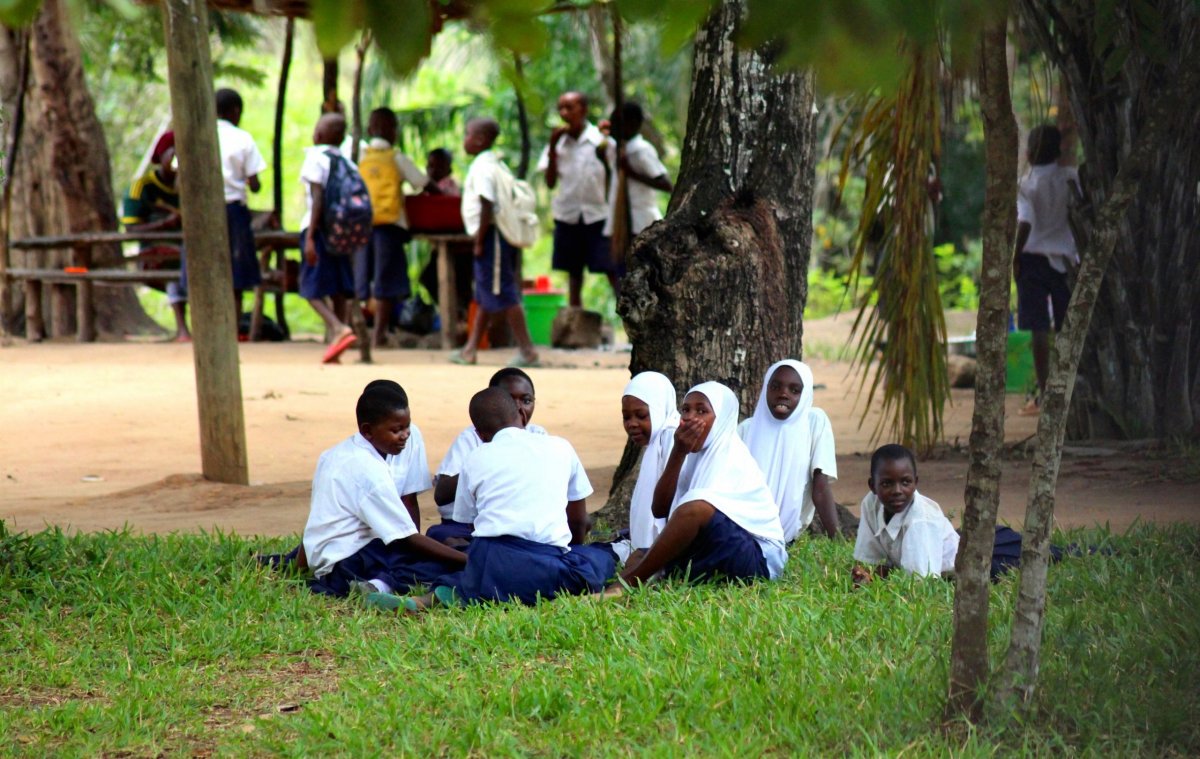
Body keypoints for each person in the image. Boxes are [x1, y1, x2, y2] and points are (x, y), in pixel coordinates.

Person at [368, 388, 614, 610]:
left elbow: (466, 520)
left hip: (488, 559)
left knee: (470, 576)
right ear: (521, 414)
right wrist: (573, 552)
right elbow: (579, 519)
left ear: (480, 433)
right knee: (598, 557)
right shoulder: (561, 447)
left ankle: (429, 599)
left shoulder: (475, 457)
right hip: (543, 561)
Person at [603, 382, 787, 595]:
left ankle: (627, 584)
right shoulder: (693, 457)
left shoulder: (734, 459)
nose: (690, 417)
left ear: (721, 420)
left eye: (702, 411)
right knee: (640, 556)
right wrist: (678, 453)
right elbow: (660, 510)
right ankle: (656, 577)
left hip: (757, 560)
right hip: (715, 550)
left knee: (698, 505)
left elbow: (697, 513)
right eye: (686, 410)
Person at [302, 382, 466, 597]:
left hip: (330, 559)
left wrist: (302, 568)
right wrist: (468, 561)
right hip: (350, 562)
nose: (406, 435)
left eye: (407, 427)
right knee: (430, 563)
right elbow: (406, 538)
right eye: (396, 430)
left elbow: (314, 523)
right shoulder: (370, 471)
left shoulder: (335, 453)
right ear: (367, 431)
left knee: (426, 551)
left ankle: (377, 583)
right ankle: (378, 586)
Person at [850, 444, 1030, 584]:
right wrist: (865, 574)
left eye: (905, 482)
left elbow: (918, 584)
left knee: (1030, 554)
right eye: (887, 483)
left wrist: (879, 577)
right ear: (872, 486)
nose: (897, 490)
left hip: (975, 565)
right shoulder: (870, 503)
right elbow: (869, 558)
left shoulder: (919, 521)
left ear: (916, 482)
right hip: (956, 543)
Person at [452, 117, 539, 367]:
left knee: (505, 293)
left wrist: (479, 241)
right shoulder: (492, 164)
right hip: (492, 237)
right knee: (485, 292)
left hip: (492, 237)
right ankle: (470, 349)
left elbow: (486, 204)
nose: (465, 140)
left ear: (480, 139)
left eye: (468, 134)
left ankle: (528, 351)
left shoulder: (482, 168)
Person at [428, 367, 548, 545]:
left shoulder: (539, 436)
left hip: (520, 521)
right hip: (467, 525)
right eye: (509, 400)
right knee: (443, 537)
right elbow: (442, 494)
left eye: (527, 400)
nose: (518, 407)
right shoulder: (472, 437)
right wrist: (486, 468)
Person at [1013, 124, 1080, 416]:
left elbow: (1025, 221)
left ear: (1028, 154)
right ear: (1060, 152)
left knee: (1039, 330)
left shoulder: (1025, 185)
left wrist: (1015, 256)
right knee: (1067, 328)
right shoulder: (1071, 178)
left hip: (1032, 260)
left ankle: (1045, 392)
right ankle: (1070, 390)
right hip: (1066, 260)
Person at [738, 360, 840, 542]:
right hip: (743, 529)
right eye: (775, 387)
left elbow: (820, 486)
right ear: (765, 389)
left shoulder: (814, 423)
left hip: (786, 536)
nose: (783, 394)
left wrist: (837, 540)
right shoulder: (747, 430)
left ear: (806, 394)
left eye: (795, 390)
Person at [356, 107, 433, 347]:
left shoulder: (358, 156)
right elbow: (421, 182)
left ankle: (357, 333)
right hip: (389, 227)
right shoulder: (396, 158)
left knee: (360, 280)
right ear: (393, 131)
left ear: (370, 129)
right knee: (385, 283)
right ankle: (379, 335)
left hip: (361, 226)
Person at [537, 91, 614, 307]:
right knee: (574, 271)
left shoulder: (600, 141)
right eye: (560, 108)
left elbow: (614, 172)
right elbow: (550, 182)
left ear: (583, 110)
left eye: (569, 108)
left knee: (610, 268)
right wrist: (553, 145)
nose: (564, 113)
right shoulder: (558, 144)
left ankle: (628, 320)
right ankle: (575, 318)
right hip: (568, 214)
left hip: (598, 213)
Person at [299, 112, 358, 364]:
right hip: (340, 234)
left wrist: (311, 237)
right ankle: (338, 342)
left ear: (318, 134)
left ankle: (338, 328)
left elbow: (317, 199)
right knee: (338, 290)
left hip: (319, 230)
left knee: (309, 287)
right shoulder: (347, 162)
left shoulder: (315, 159)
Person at [122, 131, 189, 341]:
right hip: (155, 255)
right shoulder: (142, 188)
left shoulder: (192, 187)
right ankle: (182, 329)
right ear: (163, 158)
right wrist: (164, 224)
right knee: (174, 264)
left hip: (186, 251)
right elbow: (130, 231)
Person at [215, 88, 267, 317]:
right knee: (236, 275)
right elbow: (254, 183)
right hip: (233, 210)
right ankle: (234, 328)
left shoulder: (198, 134)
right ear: (235, 112)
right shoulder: (242, 138)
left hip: (205, 212)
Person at [620, 371, 680, 563]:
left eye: (641, 415)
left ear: (660, 408)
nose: (632, 424)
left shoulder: (670, 438)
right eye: (626, 417)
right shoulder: (656, 443)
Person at [600, 102, 673, 244]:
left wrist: (632, 173)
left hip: (640, 221)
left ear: (632, 124)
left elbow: (666, 184)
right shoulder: (619, 149)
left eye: (615, 123)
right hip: (619, 220)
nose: (612, 127)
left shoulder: (642, 151)